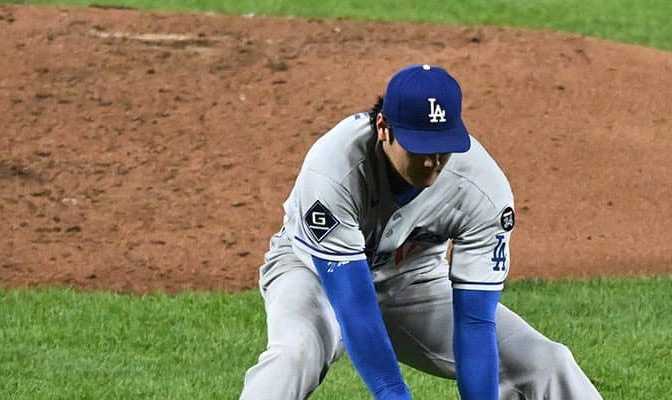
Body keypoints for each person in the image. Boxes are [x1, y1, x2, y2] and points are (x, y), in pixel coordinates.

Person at [240, 64, 602, 400]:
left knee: (546, 361)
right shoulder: (333, 168)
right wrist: (393, 394)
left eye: (442, 146)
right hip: (314, 271)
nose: (433, 161)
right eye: (420, 147)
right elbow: (354, 307)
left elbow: (475, 323)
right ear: (384, 128)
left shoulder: (482, 189)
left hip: (413, 279)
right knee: (294, 353)